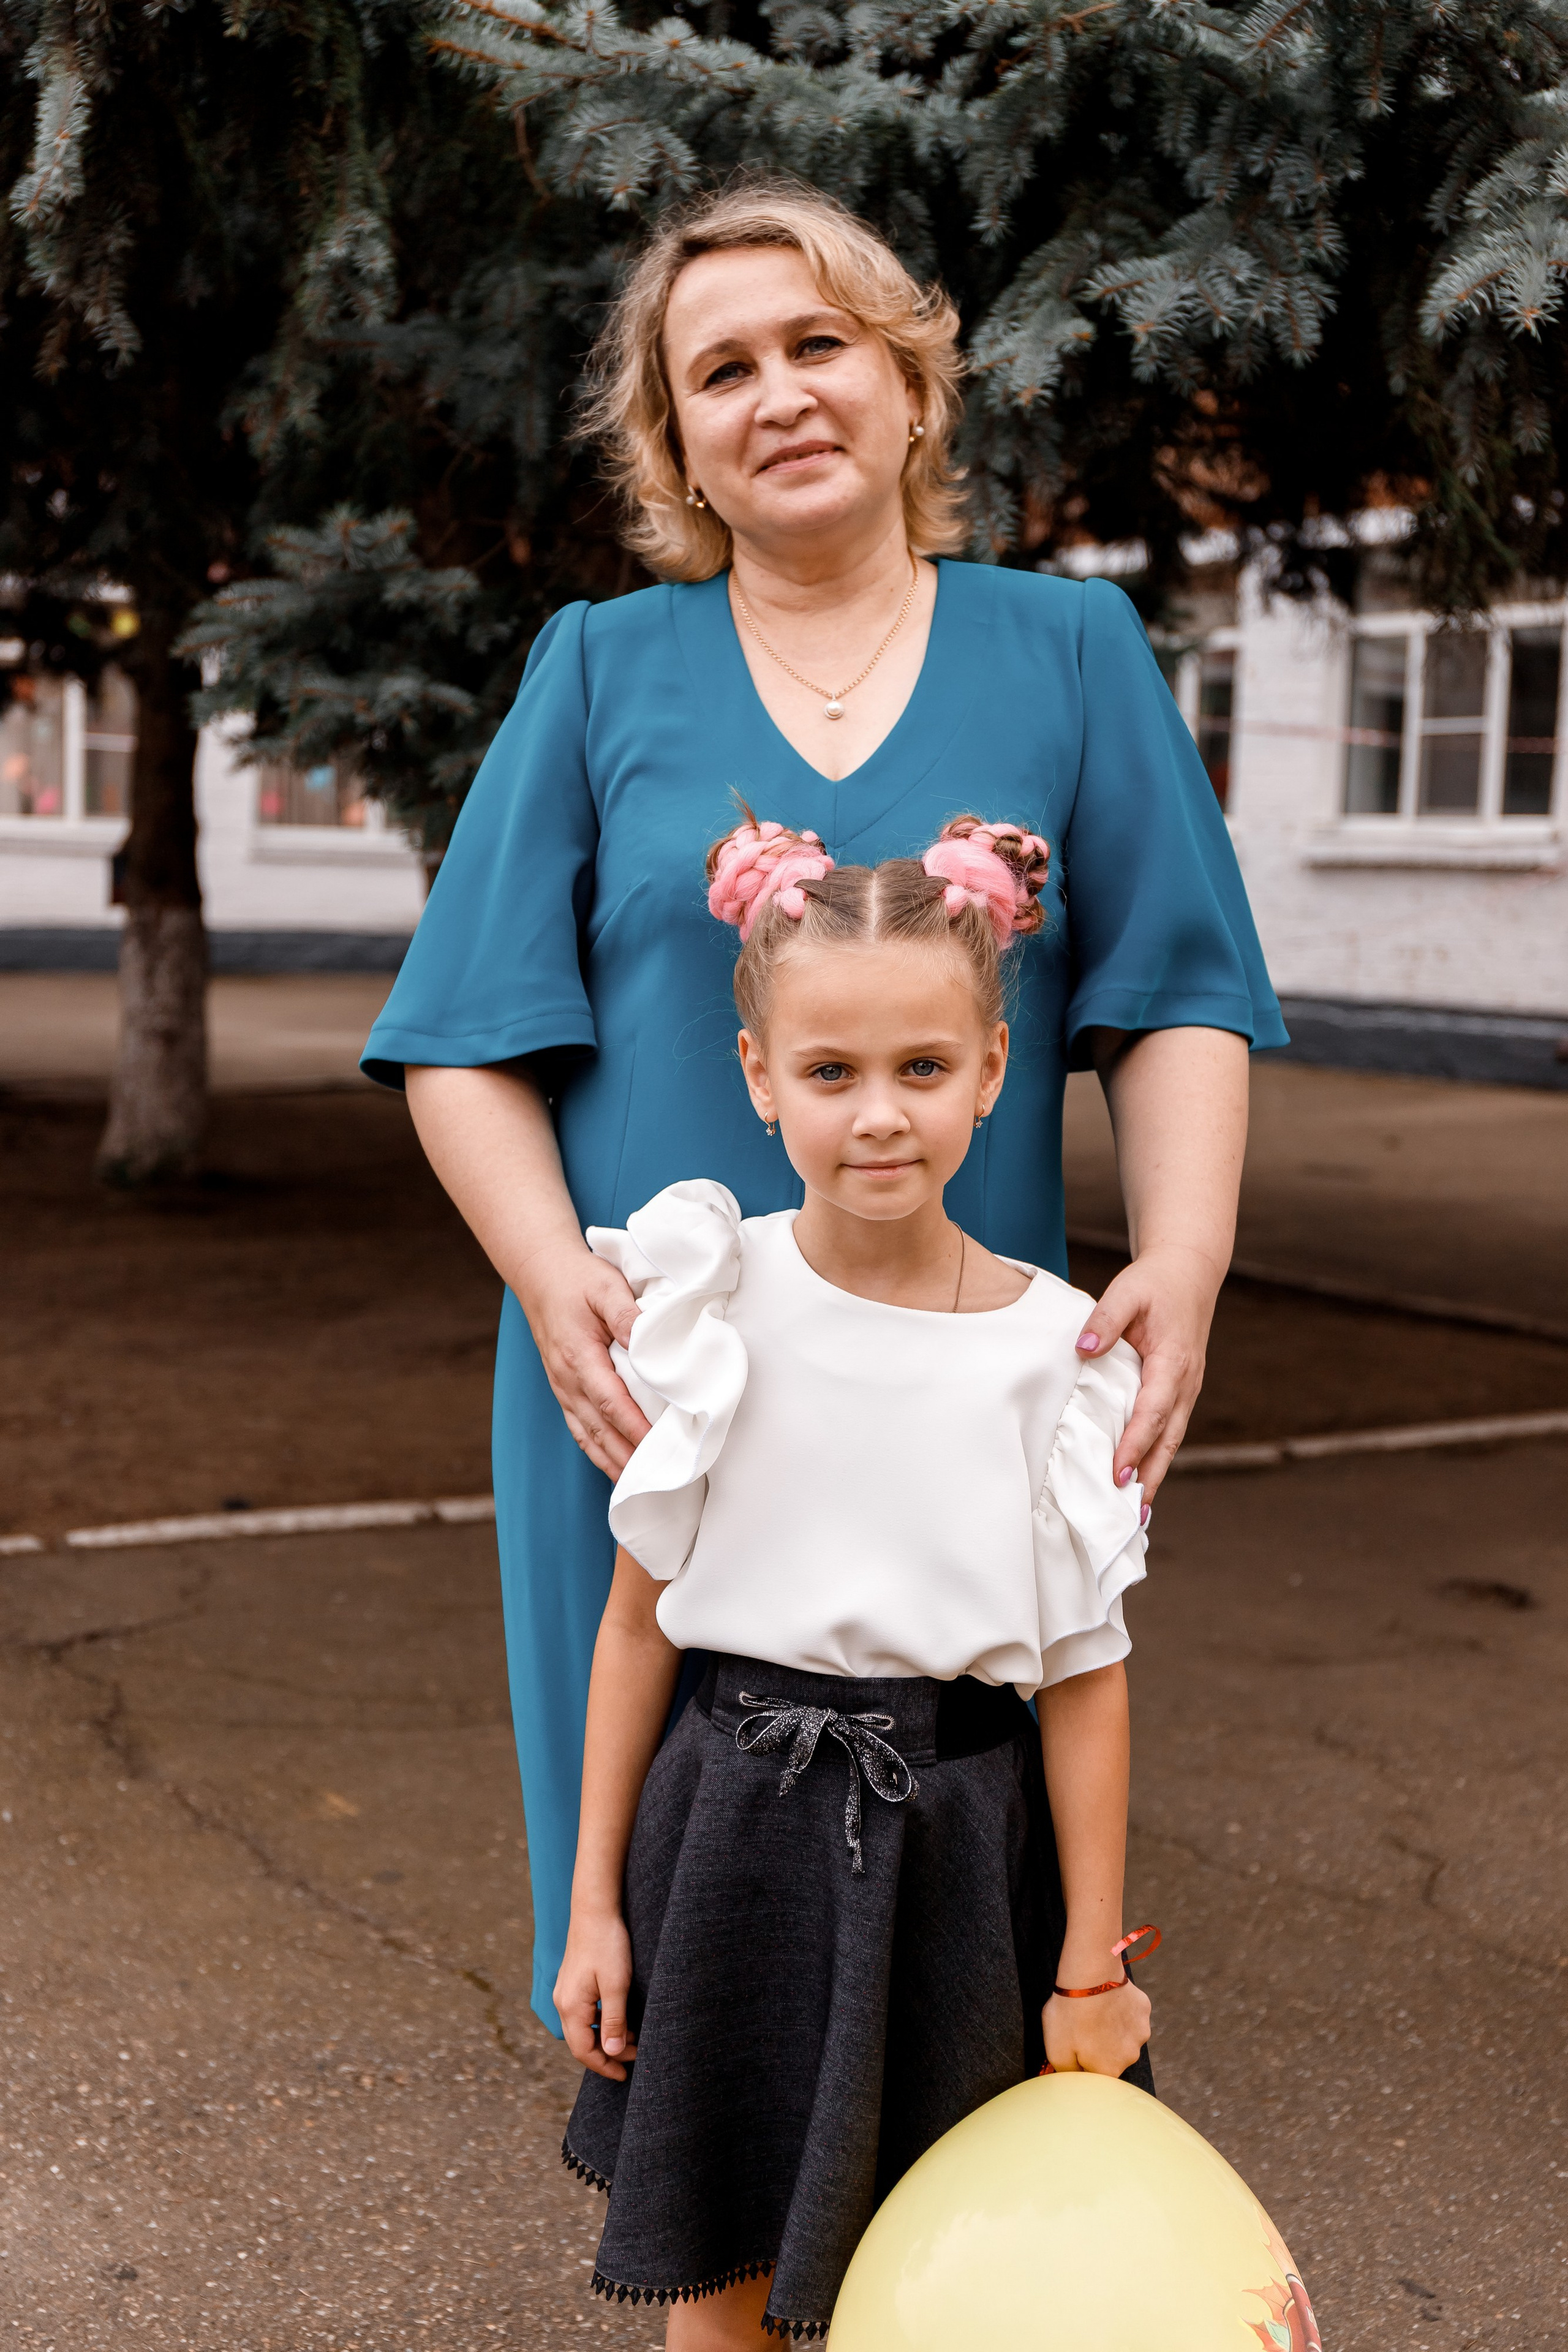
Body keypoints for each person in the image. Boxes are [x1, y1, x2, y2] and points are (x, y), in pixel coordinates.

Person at [360, 177, 1285, 2030]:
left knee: (964, 1919)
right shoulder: (597, 667)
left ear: (910, 387)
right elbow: (462, 1036)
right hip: (645, 1383)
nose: (777, 394)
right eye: (721, 371)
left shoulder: (1071, 651)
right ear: (675, 441)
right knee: (663, 1939)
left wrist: (1184, 1260)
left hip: (960, 1381)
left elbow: (1178, 993)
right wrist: (551, 1279)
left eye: (818, 345)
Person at [558, 812, 1156, 2346]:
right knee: (722, 2297)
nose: (878, 1116)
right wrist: (590, 1908)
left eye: (922, 1068)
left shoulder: (1059, 1353)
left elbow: (1086, 1683)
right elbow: (634, 1631)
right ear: (759, 1077)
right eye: (828, 1072)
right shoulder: (708, 1308)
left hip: (961, 1862)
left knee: (954, 2287)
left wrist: (1089, 1961)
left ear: (993, 1070)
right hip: (729, 1845)